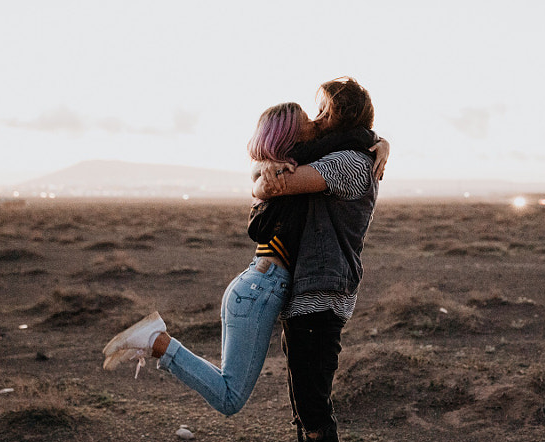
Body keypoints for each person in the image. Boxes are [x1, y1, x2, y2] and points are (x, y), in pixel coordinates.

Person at [101, 99, 388, 418]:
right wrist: (370, 142)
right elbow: (323, 153)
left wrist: (378, 142)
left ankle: (157, 341)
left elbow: (328, 148)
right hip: (261, 290)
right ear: (291, 136)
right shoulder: (286, 177)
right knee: (230, 397)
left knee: (233, 391)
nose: (316, 123)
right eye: (307, 121)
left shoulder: (286, 171)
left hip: (253, 285)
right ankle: (158, 342)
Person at [251, 77, 380, 442]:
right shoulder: (346, 153)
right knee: (304, 407)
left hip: (322, 296)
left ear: (341, 117)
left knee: (316, 413)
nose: (316, 118)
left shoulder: (348, 163)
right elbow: (269, 179)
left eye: (323, 111)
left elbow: (274, 182)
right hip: (306, 294)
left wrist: (269, 167)